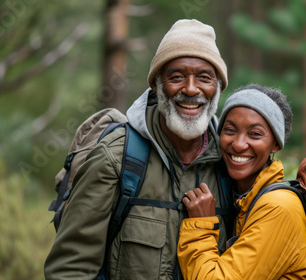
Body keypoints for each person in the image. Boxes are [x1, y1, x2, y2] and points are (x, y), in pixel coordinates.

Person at [44, 19, 230, 280]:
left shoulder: (231, 164)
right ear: (156, 85)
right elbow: (71, 269)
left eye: (204, 78)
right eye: (176, 77)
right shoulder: (116, 157)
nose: (190, 89)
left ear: (218, 88)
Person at [177, 84, 306, 279]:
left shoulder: (279, 207)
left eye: (255, 134)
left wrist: (201, 225)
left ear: (275, 143)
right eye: (230, 130)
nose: (239, 144)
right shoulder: (246, 200)